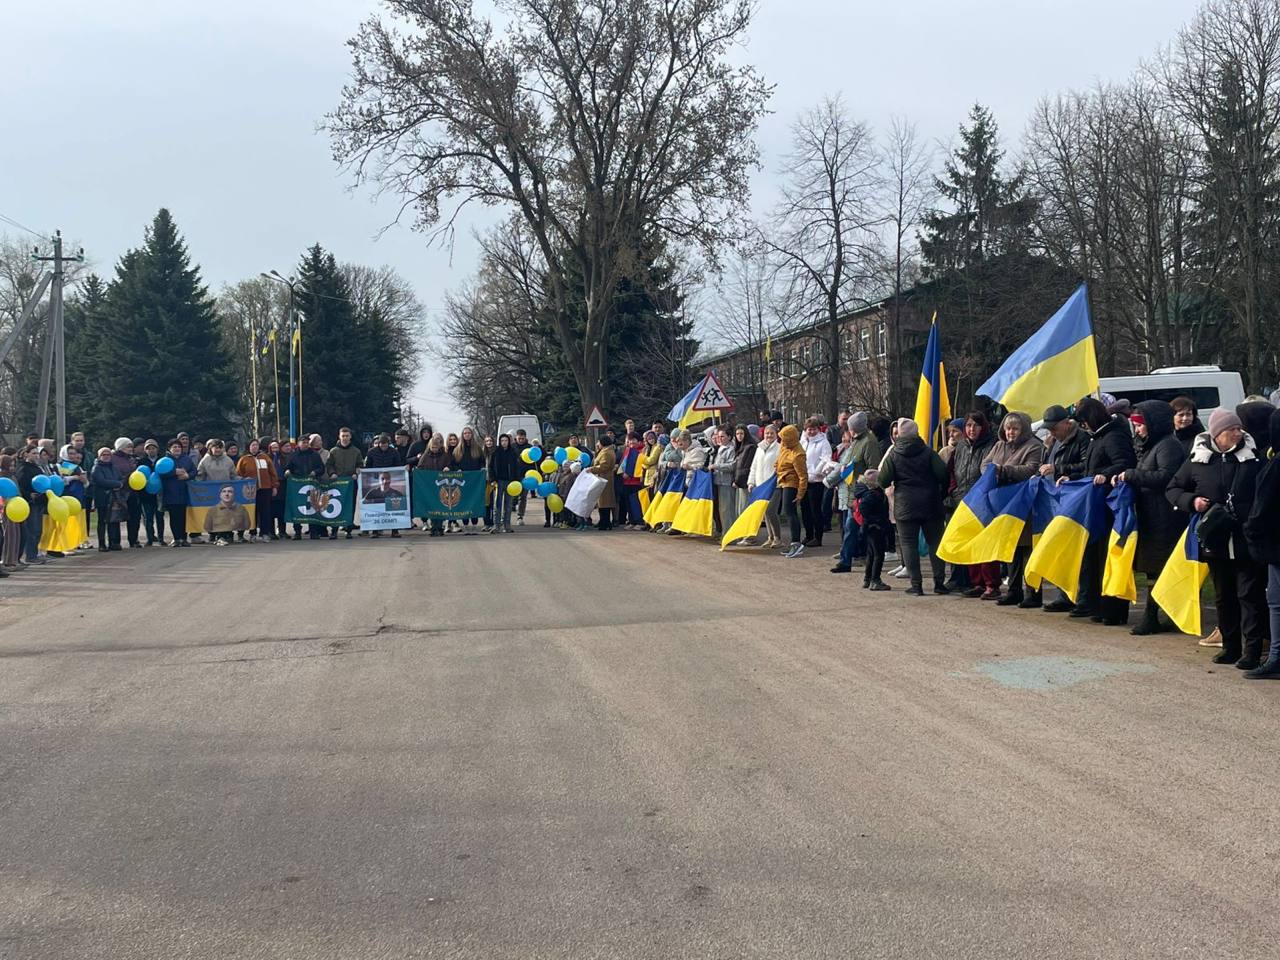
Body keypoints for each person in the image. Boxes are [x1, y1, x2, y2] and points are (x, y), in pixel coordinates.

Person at [1168, 408, 1267, 669]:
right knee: (1223, 595)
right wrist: (1192, 501)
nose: (1238, 432)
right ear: (1217, 434)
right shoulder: (1198, 460)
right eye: (1231, 429)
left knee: (1249, 595)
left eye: (1238, 429)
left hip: (1246, 538)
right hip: (1215, 539)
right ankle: (1230, 646)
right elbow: (1173, 488)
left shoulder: (1253, 459)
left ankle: (1253, 650)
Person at [1115, 401, 1186, 635]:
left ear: (1153, 424)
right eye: (1135, 425)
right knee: (1152, 569)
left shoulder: (1168, 446)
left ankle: (1153, 615)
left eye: (1140, 425)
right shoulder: (1150, 446)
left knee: (1160, 567)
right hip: (1150, 515)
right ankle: (1157, 614)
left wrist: (1133, 475)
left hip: (1164, 518)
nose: (1137, 430)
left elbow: (1166, 477)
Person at [1076, 397, 1137, 625]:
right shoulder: (1097, 438)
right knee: (1097, 558)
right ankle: (1099, 604)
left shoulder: (1113, 436)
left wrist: (1105, 473)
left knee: (1108, 556)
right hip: (1098, 505)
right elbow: (1088, 469)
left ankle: (1113, 609)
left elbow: (1125, 462)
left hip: (1111, 505)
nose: (1083, 426)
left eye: (1084, 421)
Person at [876, 419, 950, 596]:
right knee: (935, 543)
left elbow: (883, 480)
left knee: (909, 545)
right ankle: (939, 583)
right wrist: (941, 494)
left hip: (905, 504)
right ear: (917, 433)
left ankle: (916, 585)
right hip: (931, 502)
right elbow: (943, 474)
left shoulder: (893, 454)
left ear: (899, 434)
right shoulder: (928, 452)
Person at [981, 412, 1045, 607]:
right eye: (1008, 428)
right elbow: (984, 464)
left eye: (1015, 429)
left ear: (1023, 429)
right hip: (1006, 505)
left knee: (1029, 550)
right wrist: (993, 471)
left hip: (1027, 504)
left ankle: (1033, 593)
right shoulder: (1000, 445)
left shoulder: (1034, 446)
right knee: (1012, 548)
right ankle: (1014, 590)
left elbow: (1031, 469)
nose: (1010, 432)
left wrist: (1002, 470)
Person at [1038, 405, 1093, 614]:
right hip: (1057, 501)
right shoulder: (1053, 442)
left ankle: (1084, 597)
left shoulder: (1083, 440)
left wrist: (1059, 470)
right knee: (1060, 549)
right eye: (1049, 429)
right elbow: (1046, 464)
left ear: (1067, 423)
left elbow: (1086, 467)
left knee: (1081, 551)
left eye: (1054, 428)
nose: (1051, 432)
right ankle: (1064, 594)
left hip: (1076, 503)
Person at [1243, 406, 1280, 678]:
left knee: (1276, 602)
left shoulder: (1274, 465)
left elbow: (1262, 507)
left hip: (1275, 545)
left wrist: (1252, 532)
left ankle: (1277, 657)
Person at [950, 412, 998, 597]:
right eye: (969, 425)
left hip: (983, 499)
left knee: (985, 543)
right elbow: (954, 470)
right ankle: (976, 582)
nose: (971, 429)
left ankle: (991, 584)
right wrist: (953, 490)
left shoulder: (991, 444)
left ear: (982, 427)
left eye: (976, 425)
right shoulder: (961, 446)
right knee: (969, 542)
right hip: (964, 499)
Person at [829, 412, 882, 572]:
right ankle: (846, 561)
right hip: (853, 491)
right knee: (850, 528)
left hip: (863, 493)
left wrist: (864, 484)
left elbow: (873, 469)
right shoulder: (856, 442)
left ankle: (866, 561)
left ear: (854, 428)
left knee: (861, 529)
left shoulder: (869, 442)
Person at [236, 438, 279, 543]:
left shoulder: (265, 458)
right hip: (250, 490)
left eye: (256, 445)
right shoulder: (244, 459)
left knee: (265, 512)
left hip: (265, 489)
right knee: (252, 512)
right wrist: (243, 479)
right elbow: (237, 474)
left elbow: (272, 473)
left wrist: (274, 486)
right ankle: (252, 533)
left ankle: (265, 533)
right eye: (252, 445)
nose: (254, 447)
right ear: (248, 447)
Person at [775, 424, 808, 558]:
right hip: (782, 481)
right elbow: (780, 459)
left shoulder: (798, 454)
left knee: (790, 512)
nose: (782, 442)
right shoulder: (785, 446)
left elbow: (803, 476)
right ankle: (793, 543)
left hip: (791, 484)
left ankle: (796, 543)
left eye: (784, 439)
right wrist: (776, 466)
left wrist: (800, 494)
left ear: (790, 439)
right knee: (787, 512)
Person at [285, 436, 327, 540]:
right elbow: (287, 467)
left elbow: (321, 468)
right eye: (303, 442)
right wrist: (287, 471)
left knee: (312, 507)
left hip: (312, 485)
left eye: (307, 442)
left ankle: (314, 532)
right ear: (298, 443)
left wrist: (315, 472)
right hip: (297, 486)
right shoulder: (293, 455)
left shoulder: (315, 455)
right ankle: (297, 532)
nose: (306, 444)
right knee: (297, 508)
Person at [747, 423, 782, 547]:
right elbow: (754, 467)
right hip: (760, 485)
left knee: (771, 510)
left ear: (776, 434)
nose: (769, 435)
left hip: (774, 485)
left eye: (772, 433)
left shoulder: (780, 448)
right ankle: (770, 537)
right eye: (767, 433)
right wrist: (751, 482)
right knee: (765, 512)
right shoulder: (759, 449)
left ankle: (778, 538)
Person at [857, 469, 891, 590]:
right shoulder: (873, 495)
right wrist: (876, 521)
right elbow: (863, 508)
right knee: (878, 554)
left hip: (870, 527)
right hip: (875, 527)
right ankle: (875, 580)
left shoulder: (868, 493)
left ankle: (868, 578)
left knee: (871, 554)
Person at [799, 417, 832, 547]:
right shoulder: (803, 442)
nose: (811, 432)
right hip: (803, 480)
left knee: (815, 509)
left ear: (818, 429)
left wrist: (816, 472)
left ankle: (818, 537)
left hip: (816, 480)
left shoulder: (823, 442)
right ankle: (808, 535)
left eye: (813, 429)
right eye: (809, 429)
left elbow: (825, 459)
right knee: (804, 509)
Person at [328, 427, 363, 540]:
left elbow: (360, 464)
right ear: (339, 436)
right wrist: (332, 473)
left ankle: (348, 530)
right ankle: (334, 530)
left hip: (351, 483)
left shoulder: (356, 451)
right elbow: (329, 465)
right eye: (343, 436)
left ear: (350, 437)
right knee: (335, 506)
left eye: (347, 436)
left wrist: (356, 473)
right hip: (337, 483)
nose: (345, 438)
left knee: (350, 506)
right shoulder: (333, 451)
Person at [89, 447, 126, 553]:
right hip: (102, 497)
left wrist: (119, 483)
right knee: (102, 521)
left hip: (114, 498)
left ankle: (113, 542)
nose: (106, 457)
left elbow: (120, 478)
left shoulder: (114, 467)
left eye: (108, 455)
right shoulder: (96, 468)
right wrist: (116, 484)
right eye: (103, 455)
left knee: (114, 520)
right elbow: (101, 481)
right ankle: (101, 543)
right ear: (99, 456)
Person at [109, 438, 143, 549]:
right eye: (128, 446)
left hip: (132, 491)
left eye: (131, 447)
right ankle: (115, 541)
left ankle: (133, 540)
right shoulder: (112, 458)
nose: (130, 449)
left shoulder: (132, 459)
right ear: (120, 447)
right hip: (118, 491)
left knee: (135, 516)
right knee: (116, 516)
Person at [160, 438, 194, 547]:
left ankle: (183, 538)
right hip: (171, 492)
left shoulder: (186, 459)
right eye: (174, 447)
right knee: (174, 517)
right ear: (169, 449)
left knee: (183, 516)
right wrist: (173, 472)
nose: (177, 449)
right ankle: (176, 538)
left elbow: (194, 470)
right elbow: (160, 473)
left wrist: (187, 475)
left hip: (184, 492)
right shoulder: (165, 460)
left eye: (179, 447)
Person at [416, 434, 453, 536]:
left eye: (436, 447)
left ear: (439, 447)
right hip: (429, 486)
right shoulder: (425, 456)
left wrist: (447, 468)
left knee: (440, 506)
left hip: (441, 485)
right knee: (432, 507)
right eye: (432, 447)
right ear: (430, 447)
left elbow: (450, 465)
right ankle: (433, 527)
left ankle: (439, 526)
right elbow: (420, 467)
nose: (434, 449)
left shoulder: (444, 455)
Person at [452, 427, 486, 534]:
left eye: (469, 433)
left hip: (475, 481)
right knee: (464, 503)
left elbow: (482, 461)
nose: (467, 435)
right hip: (462, 481)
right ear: (462, 435)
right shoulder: (457, 449)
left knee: (474, 502)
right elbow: (453, 464)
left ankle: (475, 525)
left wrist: (482, 468)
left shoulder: (477, 448)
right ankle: (465, 525)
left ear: (472, 434)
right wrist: (457, 470)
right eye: (465, 433)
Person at [488, 433, 520, 533]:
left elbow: (517, 467)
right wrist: (492, 479)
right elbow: (490, 467)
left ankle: (507, 525)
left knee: (509, 504)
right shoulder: (496, 452)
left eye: (506, 440)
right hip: (498, 481)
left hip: (510, 482)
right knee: (497, 504)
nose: (504, 442)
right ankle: (496, 525)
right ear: (500, 442)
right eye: (502, 441)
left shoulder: (513, 452)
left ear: (509, 441)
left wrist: (516, 479)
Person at [710, 426, 738, 537]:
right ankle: (725, 533)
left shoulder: (731, 449)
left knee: (727, 510)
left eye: (723, 436)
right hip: (719, 481)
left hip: (726, 482)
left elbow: (731, 466)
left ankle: (729, 534)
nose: (720, 438)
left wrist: (716, 466)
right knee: (722, 510)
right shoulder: (720, 448)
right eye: (718, 436)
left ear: (729, 437)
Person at [136, 439, 165, 546]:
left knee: (159, 517)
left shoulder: (162, 460)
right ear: (145, 450)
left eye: (153, 448)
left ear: (157, 449)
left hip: (160, 494)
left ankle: (161, 538)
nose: (151, 451)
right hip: (146, 494)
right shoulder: (141, 462)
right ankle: (150, 538)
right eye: (148, 449)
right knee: (148, 518)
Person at [588, 435, 618, 530]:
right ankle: (603, 521)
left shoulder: (606, 453)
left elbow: (604, 466)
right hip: (604, 478)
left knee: (605, 502)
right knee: (602, 502)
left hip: (604, 478)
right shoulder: (606, 451)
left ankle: (605, 522)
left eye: (598, 442)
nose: (597, 444)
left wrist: (592, 469)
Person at [268, 440, 289, 540]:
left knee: (282, 511)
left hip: (283, 485)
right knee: (271, 511)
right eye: (273, 448)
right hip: (271, 486)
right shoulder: (267, 458)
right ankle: (271, 532)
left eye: (277, 448)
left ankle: (282, 531)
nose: (275, 450)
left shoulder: (283, 458)